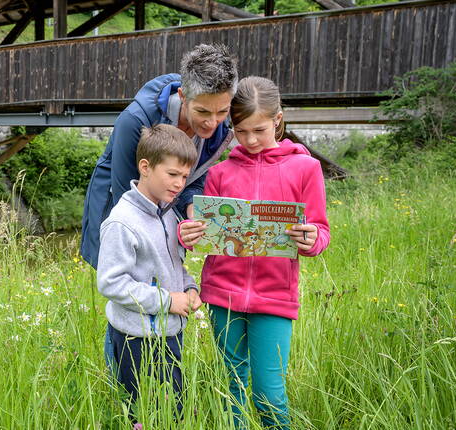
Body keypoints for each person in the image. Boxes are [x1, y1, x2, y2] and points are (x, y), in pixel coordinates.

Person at [180, 76, 331, 429]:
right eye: (240, 131)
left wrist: (312, 240)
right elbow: (204, 234)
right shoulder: (219, 173)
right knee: (230, 389)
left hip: (275, 298)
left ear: (278, 119)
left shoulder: (306, 168)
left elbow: (320, 230)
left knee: (269, 392)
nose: (249, 141)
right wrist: (189, 234)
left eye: (258, 130)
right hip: (222, 297)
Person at [80, 43, 239, 269]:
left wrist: (192, 208)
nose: (212, 122)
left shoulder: (219, 130)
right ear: (183, 96)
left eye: (222, 112)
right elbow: (127, 194)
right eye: (202, 111)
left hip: (165, 214)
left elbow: (193, 182)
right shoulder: (135, 121)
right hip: (119, 212)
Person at [97, 124, 203, 424]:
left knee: (173, 411)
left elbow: (174, 266)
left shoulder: (168, 214)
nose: (180, 184)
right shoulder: (122, 222)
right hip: (136, 339)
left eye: (184, 176)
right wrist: (168, 300)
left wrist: (190, 288)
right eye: (172, 174)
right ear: (145, 167)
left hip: (169, 333)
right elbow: (111, 283)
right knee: (142, 415)